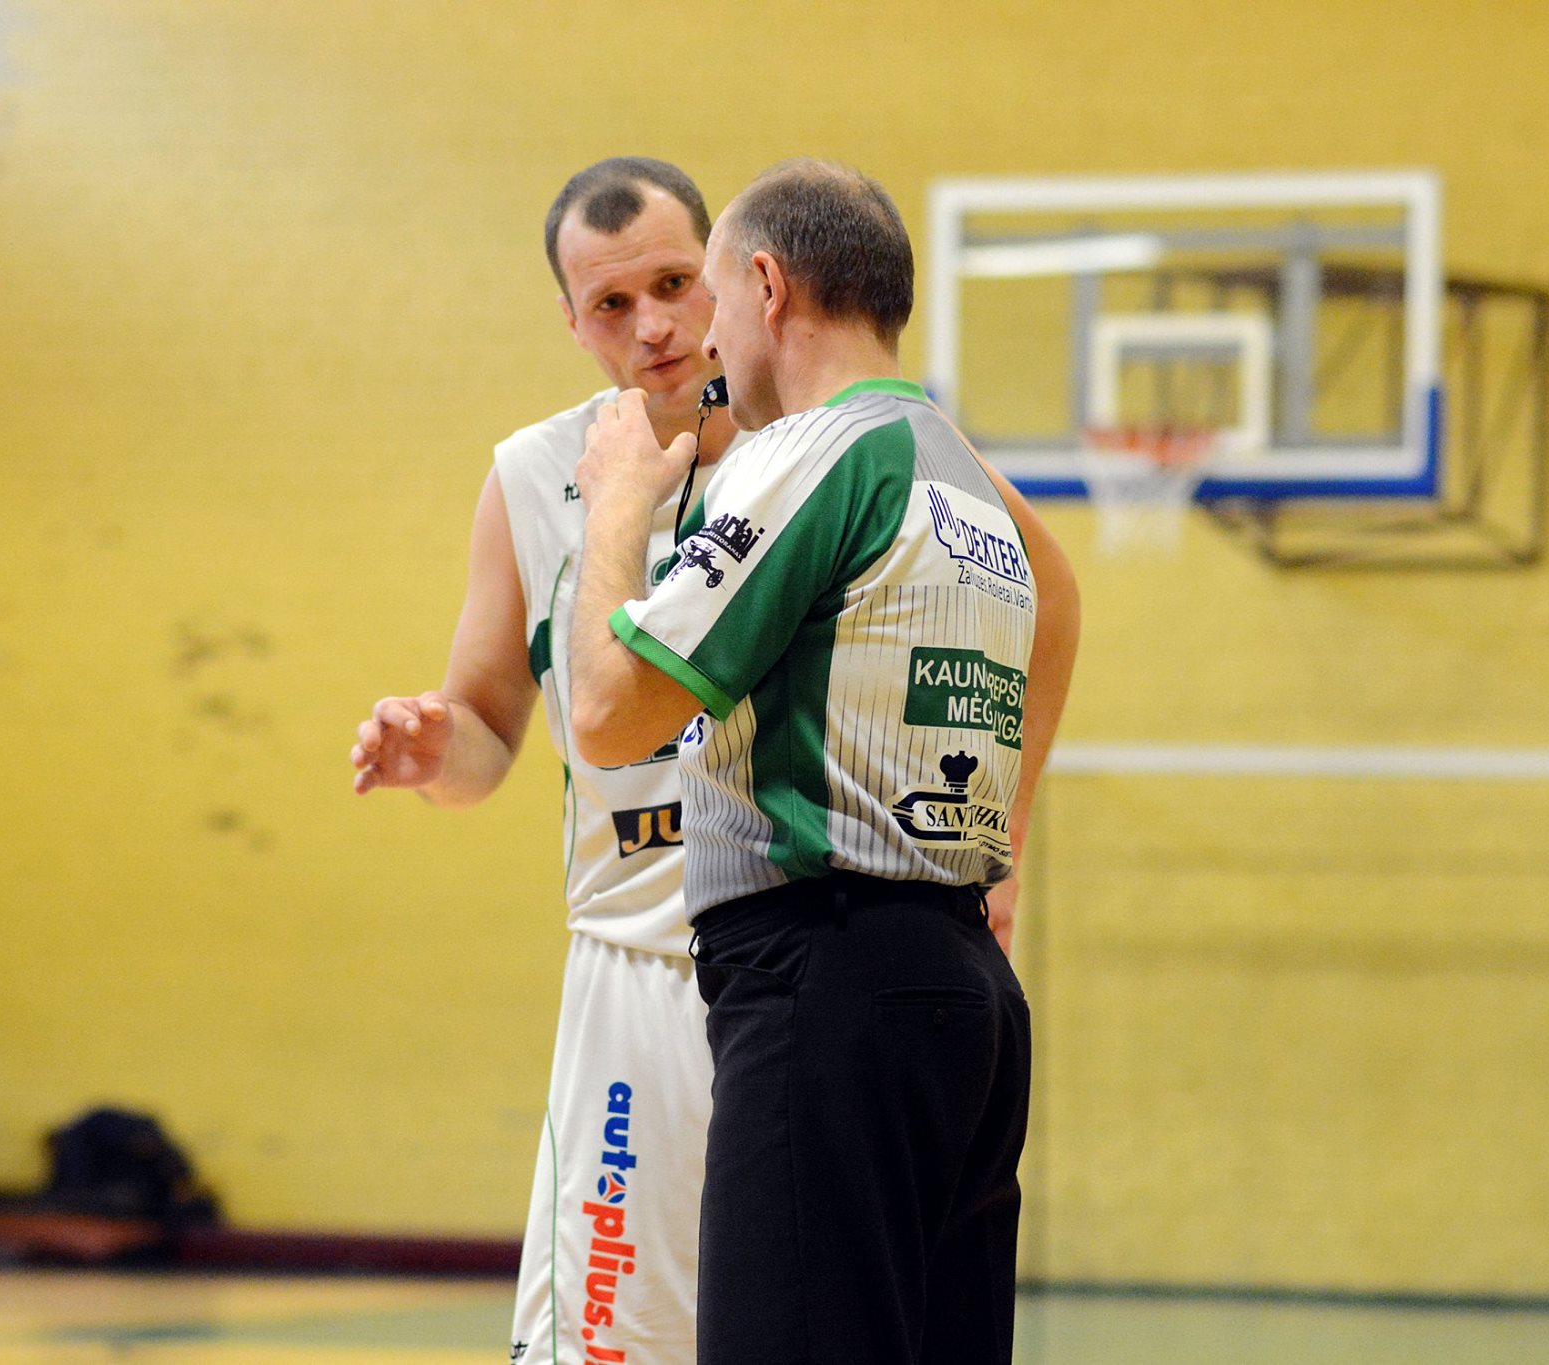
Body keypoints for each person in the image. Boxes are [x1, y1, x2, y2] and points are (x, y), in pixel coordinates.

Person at [568, 158, 1081, 1365]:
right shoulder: (954, 470)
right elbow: (1061, 604)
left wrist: (616, 506)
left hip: (826, 984)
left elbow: (607, 712)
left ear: (766, 285)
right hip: (963, 995)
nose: (704, 338)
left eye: (708, 298)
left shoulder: (812, 453)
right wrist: (1002, 834)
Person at [349, 158, 741, 1365]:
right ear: (571, 320)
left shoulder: (815, 448)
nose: (651, 325)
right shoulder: (530, 475)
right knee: (607, 1344)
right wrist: (434, 748)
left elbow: (1038, 583)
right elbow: (482, 735)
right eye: (611, 304)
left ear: (729, 275)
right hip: (634, 971)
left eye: (672, 283)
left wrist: (1001, 845)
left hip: (803, 955)